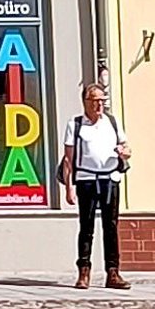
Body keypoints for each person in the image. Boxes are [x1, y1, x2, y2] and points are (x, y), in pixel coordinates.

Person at [60, 83, 133, 290]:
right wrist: (68, 188)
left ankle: (113, 272)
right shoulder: (75, 125)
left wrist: (125, 152)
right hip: (86, 179)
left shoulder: (112, 122)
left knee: (111, 226)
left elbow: (126, 147)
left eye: (102, 100)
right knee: (87, 226)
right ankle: (84, 271)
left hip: (110, 178)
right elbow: (68, 159)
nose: (100, 104)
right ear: (86, 102)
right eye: (95, 100)